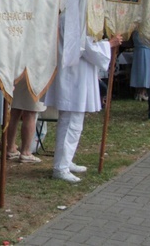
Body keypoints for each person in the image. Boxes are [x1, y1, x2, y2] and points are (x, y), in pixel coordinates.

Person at [44, 12, 122, 183]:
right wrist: (109, 44)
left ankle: (66, 160)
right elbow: (86, 47)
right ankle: (60, 166)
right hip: (74, 75)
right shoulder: (74, 17)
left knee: (74, 122)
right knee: (70, 121)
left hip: (78, 73)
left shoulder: (74, 16)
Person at [6, 79, 46, 163]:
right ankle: (25, 152)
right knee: (30, 113)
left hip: (19, 75)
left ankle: (11, 147)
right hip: (34, 77)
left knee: (14, 112)